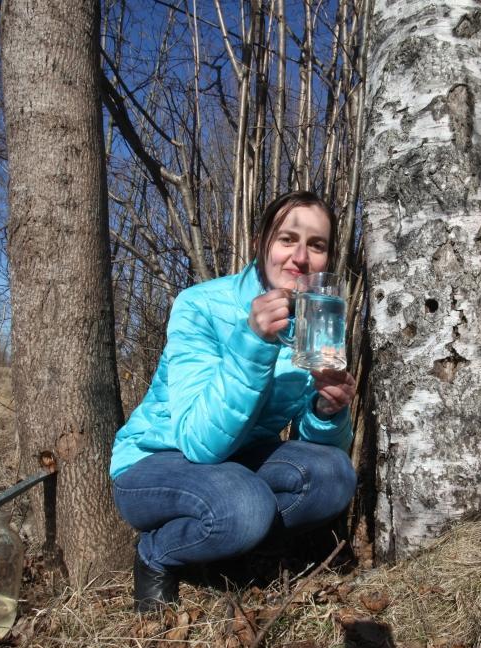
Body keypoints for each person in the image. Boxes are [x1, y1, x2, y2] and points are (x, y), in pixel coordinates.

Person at [110, 190, 357, 612]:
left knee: (334, 475)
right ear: (262, 243)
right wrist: (253, 342)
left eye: (316, 245)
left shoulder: (314, 324)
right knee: (243, 506)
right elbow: (200, 443)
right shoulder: (201, 305)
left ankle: (233, 539)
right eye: (287, 239)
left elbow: (306, 439)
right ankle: (158, 553)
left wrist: (326, 411)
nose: (300, 256)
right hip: (156, 459)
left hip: (238, 461)